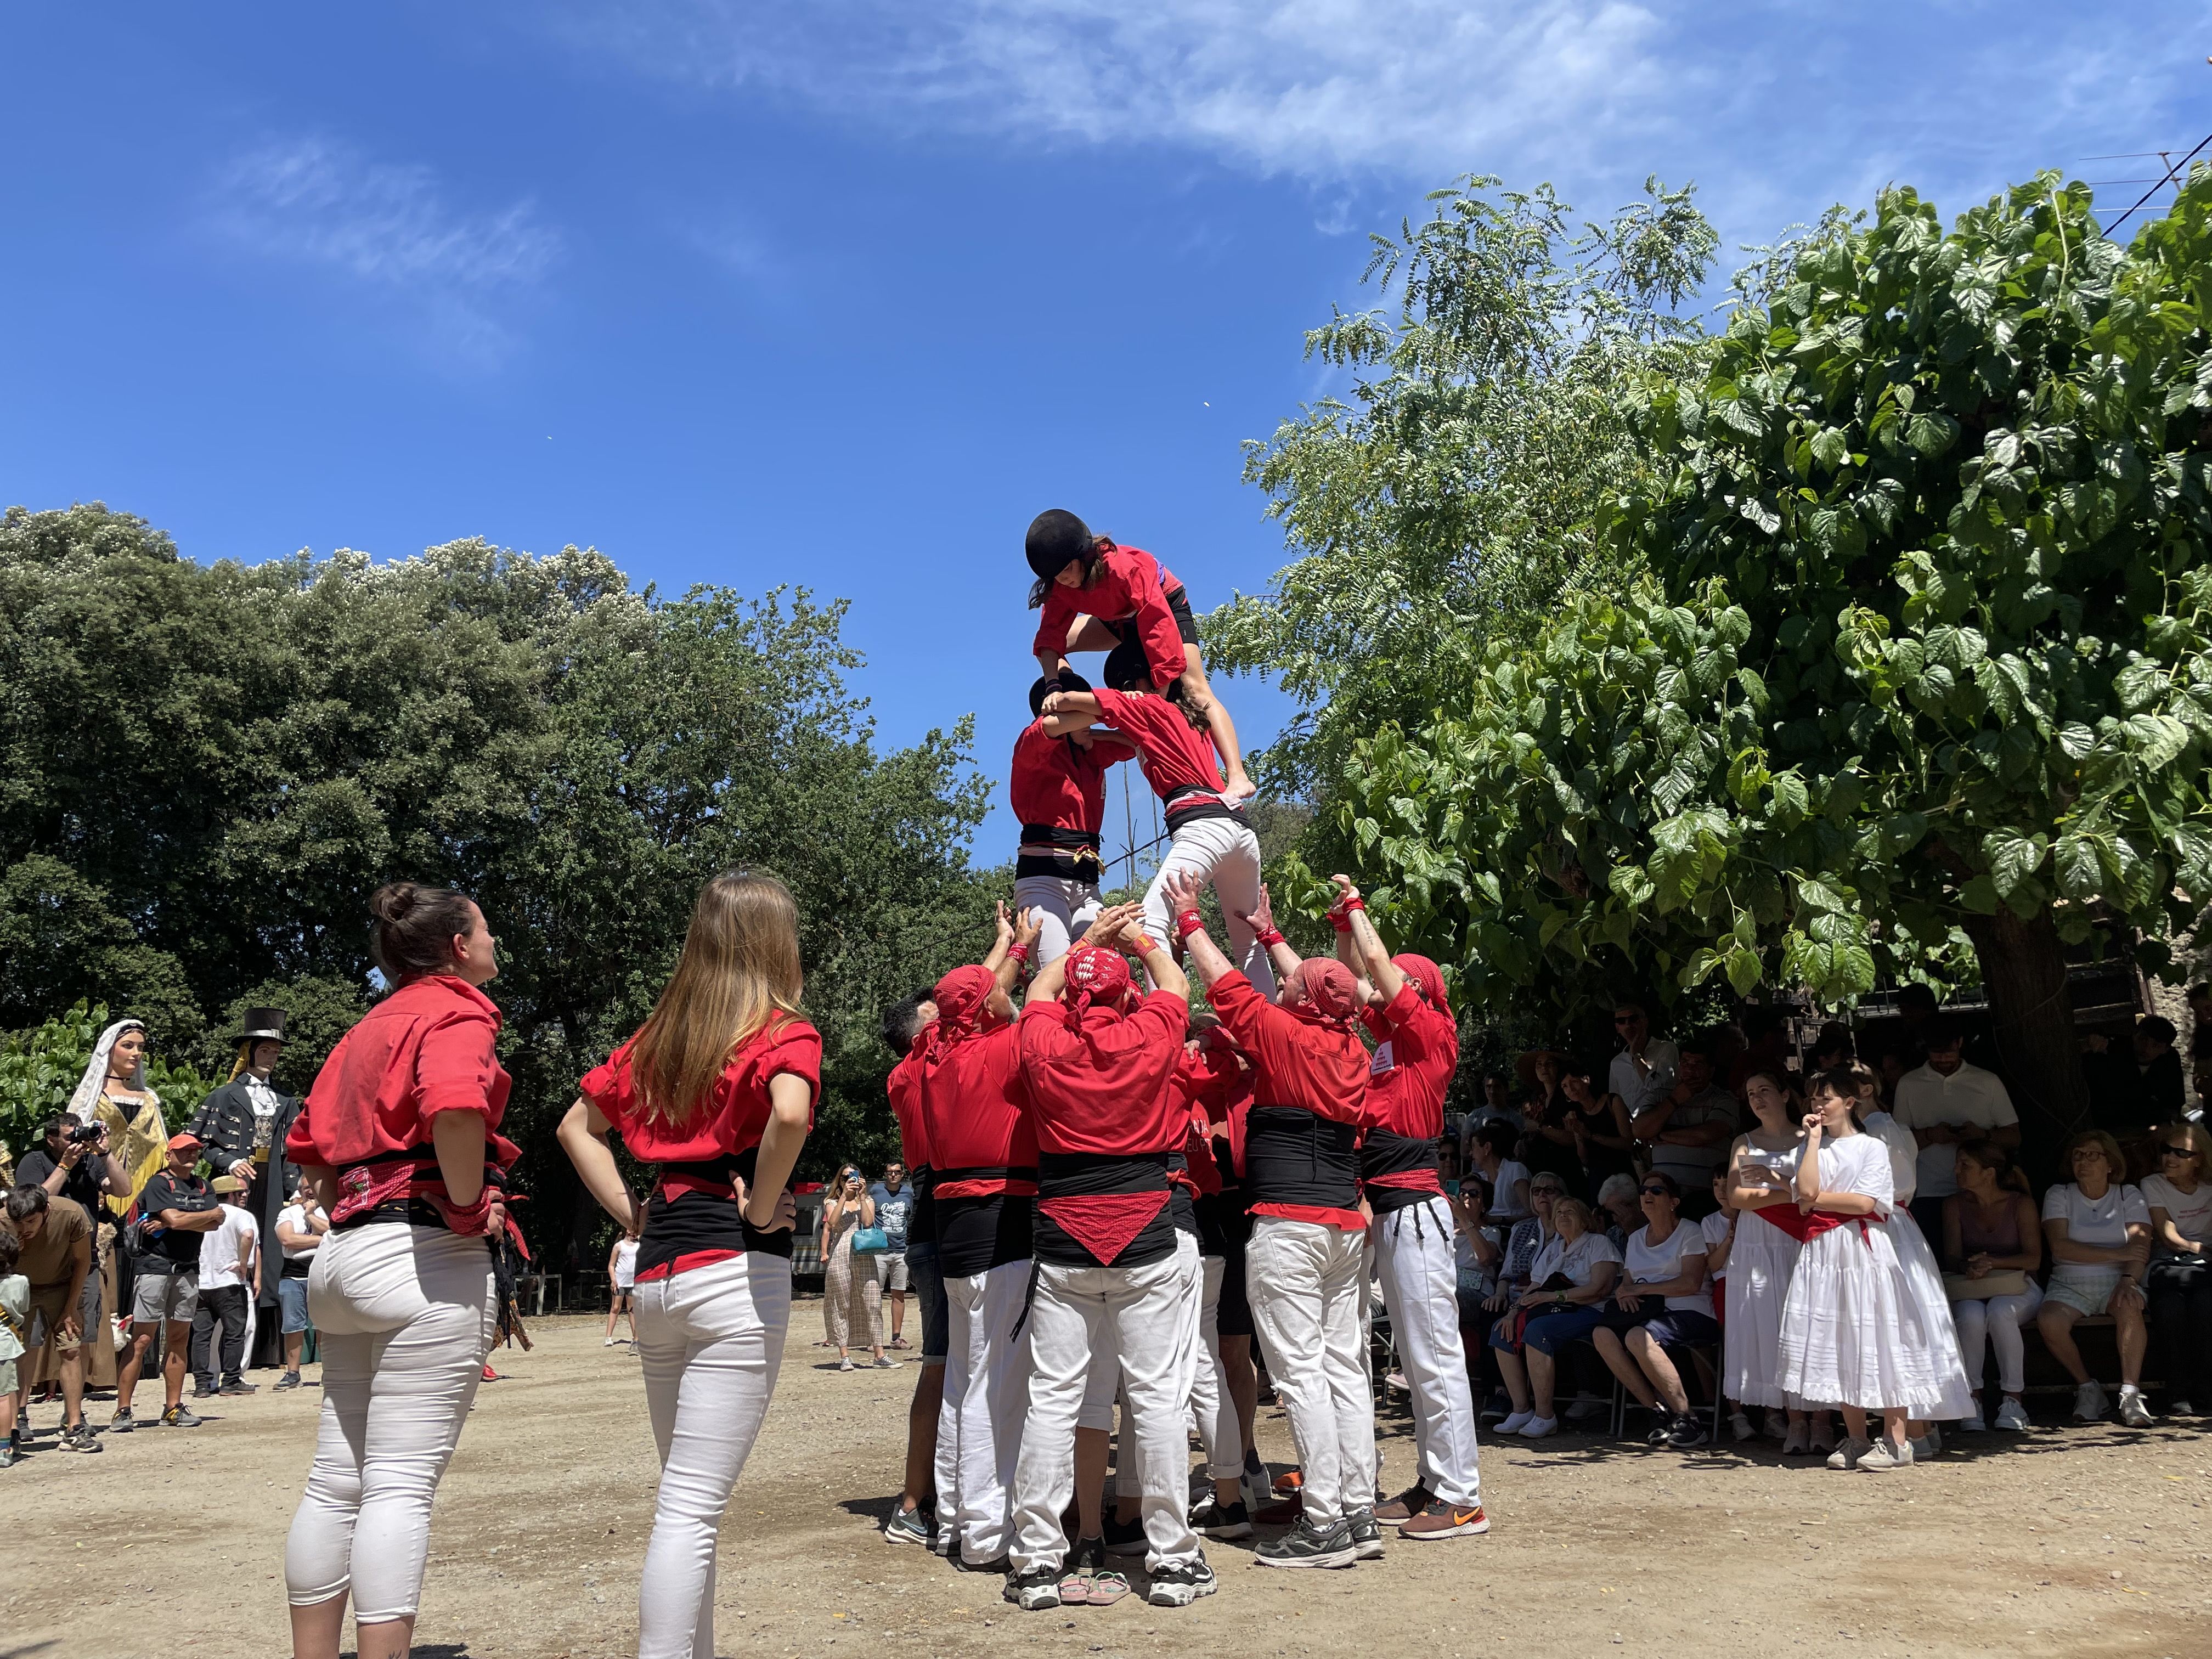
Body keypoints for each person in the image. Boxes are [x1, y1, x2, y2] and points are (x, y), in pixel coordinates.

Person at [558, 867, 815, 1659]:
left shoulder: (658, 1037)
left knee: (683, 1499)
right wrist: (766, 1202)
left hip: (661, 1275)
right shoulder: (780, 1028)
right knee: (691, 1510)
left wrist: (633, 1214)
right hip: (732, 1270)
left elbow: (576, 1128)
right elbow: (792, 1113)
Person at [283, 882, 519, 1659]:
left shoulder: (361, 1032)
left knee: (334, 1481)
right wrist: (466, 1203)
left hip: (343, 1257)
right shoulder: (456, 1010)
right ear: (457, 947)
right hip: (422, 1257)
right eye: (485, 931)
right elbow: (455, 1108)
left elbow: (311, 1152)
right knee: (398, 1486)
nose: (493, 944)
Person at [1003, 911, 1217, 1611]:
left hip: (1063, 1233)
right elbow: (1174, 980)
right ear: (1125, 993)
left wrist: (1085, 947)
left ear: (1075, 997)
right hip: (1146, 1229)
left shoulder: (1043, 1038)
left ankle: (1037, 1561)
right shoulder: (1152, 1031)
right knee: (1157, 1399)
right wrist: (1141, 941)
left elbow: (1036, 994)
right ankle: (1173, 1561)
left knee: (1053, 1400)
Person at [1163, 866, 1374, 1570]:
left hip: (1292, 1225)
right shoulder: (1352, 1042)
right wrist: (1275, 936)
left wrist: (1189, 920)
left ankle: (1324, 1525)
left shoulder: (1284, 1037)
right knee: (1345, 1367)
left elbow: (1223, 982)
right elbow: (1326, 986)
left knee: (1303, 1375)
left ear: (1302, 999)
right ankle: (1357, 1510)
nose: (1280, 983)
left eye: (1289, 980)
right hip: (1345, 1226)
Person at [1310, 877, 1486, 1542]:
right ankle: (1435, 1482)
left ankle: (1463, 1497)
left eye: (1393, 988)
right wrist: (1334, 926)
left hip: (1414, 1208)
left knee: (1435, 1356)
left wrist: (1358, 909)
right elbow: (1348, 977)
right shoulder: (1388, 1041)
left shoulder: (1432, 1034)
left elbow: (1376, 969)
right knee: (1413, 1362)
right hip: (1387, 1209)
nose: (1378, 995)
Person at [1040, 644, 1274, 999]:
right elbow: (1113, 736)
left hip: (1203, 827)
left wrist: (1057, 690)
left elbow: (1068, 715)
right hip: (1239, 829)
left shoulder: (1146, 705)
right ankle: (1265, 1036)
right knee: (1249, 941)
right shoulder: (1184, 715)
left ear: (1133, 683)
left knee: (1151, 923)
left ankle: (1167, 1021)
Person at [917, 940, 1042, 1572]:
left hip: (953, 1232)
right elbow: (1037, 1012)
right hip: (1001, 1227)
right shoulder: (1007, 1044)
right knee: (998, 1387)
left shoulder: (928, 1056)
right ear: (985, 1005)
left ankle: (954, 1521)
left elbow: (973, 1000)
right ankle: (988, 1533)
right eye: (995, 987)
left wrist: (1010, 949)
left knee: (964, 1381)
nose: (1004, 989)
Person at [1779, 1069, 1960, 1471]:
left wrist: (1818, 1200)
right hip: (1825, 1253)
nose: (1819, 1106)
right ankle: (1857, 1437)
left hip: (1862, 1252)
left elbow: (1865, 1204)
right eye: (1814, 1100)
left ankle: (1897, 1442)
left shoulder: (1871, 1147)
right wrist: (1811, 1143)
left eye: (1826, 1098)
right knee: (1841, 1337)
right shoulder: (1815, 1150)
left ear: (1848, 1102)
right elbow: (1803, 1193)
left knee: (1880, 1335)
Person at [1024, 509, 1253, 804]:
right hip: (1118, 617)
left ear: (1083, 556)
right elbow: (1049, 638)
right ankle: (1070, 690)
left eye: (1067, 570)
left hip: (1162, 602)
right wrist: (1056, 687)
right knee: (1054, 645)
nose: (1064, 579)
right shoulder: (1060, 587)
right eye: (1056, 575)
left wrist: (1157, 695)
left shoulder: (1124, 569)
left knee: (1195, 688)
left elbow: (1157, 625)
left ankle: (1238, 776)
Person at [189, 1007, 303, 1366]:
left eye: (275, 1051)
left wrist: (294, 1191)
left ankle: (266, 1351)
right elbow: (198, 1142)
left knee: (269, 1255)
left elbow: (293, 1150)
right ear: (249, 1052)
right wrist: (228, 1160)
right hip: (233, 1183)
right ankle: (221, 1349)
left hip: (271, 1185)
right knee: (231, 1250)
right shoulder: (222, 1096)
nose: (271, 1057)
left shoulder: (286, 1101)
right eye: (265, 1050)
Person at [879, 988, 947, 1550]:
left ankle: (927, 1497)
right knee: (942, 1365)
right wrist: (1012, 950)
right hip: (942, 1218)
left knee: (947, 1365)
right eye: (936, 1020)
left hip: (943, 1220)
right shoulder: (911, 1074)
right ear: (914, 1038)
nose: (949, 1021)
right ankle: (911, 1502)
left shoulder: (935, 1068)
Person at [1009, 671, 1136, 966]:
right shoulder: (1031, 743)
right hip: (1044, 880)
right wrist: (1096, 716)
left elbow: (1137, 739)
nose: (1088, 717)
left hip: (1087, 884)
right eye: (1080, 710)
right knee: (1058, 976)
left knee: (1101, 972)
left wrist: (1092, 736)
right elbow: (1050, 727)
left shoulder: (1089, 750)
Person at [1724, 1068, 1820, 1452]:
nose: (1758, 1098)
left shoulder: (1809, 1139)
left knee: (1810, 1323)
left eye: (1765, 1090)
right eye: (1751, 1093)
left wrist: (1772, 1184)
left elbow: (1820, 1191)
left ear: (1784, 1094)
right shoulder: (1744, 1143)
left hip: (1799, 1242)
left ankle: (1824, 1419)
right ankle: (1795, 1421)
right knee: (1773, 1326)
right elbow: (1737, 1197)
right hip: (1758, 1244)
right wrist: (1793, 1193)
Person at [2035, 1130, 2154, 1426]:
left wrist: (2128, 1278)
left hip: (2119, 1280)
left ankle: (2130, 1394)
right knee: (2050, 1321)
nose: (2083, 1162)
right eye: (2078, 1156)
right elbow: (2060, 1247)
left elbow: (2140, 1246)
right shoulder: (2059, 1194)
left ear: (2110, 1163)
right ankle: (2088, 1387)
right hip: (2068, 1283)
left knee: (2130, 1305)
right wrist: (2118, 1254)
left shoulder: (2129, 1194)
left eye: (2092, 1155)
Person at [1592, 1171, 1719, 1448]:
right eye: (1643, 1190)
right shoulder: (1636, 1238)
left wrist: (1640, 1290)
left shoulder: (1691, 1231)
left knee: (1638, 1336)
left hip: (1692, 1311)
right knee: (1602, 1334)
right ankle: (1656, 1411)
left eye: (1656, 1191)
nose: (1647, 1195)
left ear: (1674, 1201)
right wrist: (1626, 1294)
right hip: (1648, 1312)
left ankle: (1689, 1419)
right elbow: (1627, 1283)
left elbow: (1690, 1283)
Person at [114, 1130, 224, 1432]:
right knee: (142, 1339)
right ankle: (122, 1410)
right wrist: (199, 1215)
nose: (192, 1155)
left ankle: (173, 1407)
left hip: (188, 1269)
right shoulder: (160, 1183)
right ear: (169, 1155)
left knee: (179, 1339)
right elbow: (190, 1220)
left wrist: (178, 1219)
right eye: (185, 1151)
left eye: (196, 1151)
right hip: (155, 1268)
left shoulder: (204, 1185)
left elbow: (217, 1222)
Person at [1487, 1195, 1621, 1438]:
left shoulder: (1598, 1243)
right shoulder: (1552, 1250)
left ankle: (1545, 1415)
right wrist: (1513, 1312)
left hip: (1590, 1310)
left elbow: (1599, 1289)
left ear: (1584, 1220)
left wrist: (1552, 1297)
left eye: (1570, 1211)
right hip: (1552, 1310)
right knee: (1502, 1328)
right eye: (1559, 1212)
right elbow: (1534, 1288)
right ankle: (1521, 1410)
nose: (1562, 1215)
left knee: (1538, 1331)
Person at [13, 1114, 124, 1407]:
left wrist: (106, 1153)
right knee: (30, 1341)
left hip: (82, 1261)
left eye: (80, 1134)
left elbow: (124, 1190)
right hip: (39, 1264)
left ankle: (73, 1412)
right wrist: (65, 1166)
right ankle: (20, 1413)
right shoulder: (34, 1161)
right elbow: (32, 1203)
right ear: (51, 1139)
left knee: (79, 1337)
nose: (77, 1142)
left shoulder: (91, 1161)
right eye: (68, 1137)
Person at [1941, 1141, 2044, 1432]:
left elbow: (2034, 1258)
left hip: (2018, 1286)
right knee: (1971, 1315)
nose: (1956, 1170)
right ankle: (1971, 1399)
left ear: (1989, 1173)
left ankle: (2013, 1399)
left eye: (1965, 1165)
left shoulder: (2020, 1204)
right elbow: (1951, 1256)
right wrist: (1967, 1266)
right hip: (1972, 1289)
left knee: (2001, 1311)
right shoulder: (1954, 1205)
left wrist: (1992, 1263)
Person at [1892, 1019, 2020, 1237]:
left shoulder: (1988, 1082)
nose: (1943, 1059)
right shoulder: (1908, 1084)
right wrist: (1931, 1135)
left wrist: (1982, 1137)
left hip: (1984, 1194)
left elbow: (2014, 1137)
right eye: (1936, 1052)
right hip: (1928, 1193)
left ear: (1960, 1043)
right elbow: (1896, 1145)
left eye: (1949, 1051)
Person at [2, 1187, 101, 1453]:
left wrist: (71, 1307)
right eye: (18, 1223)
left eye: (31, 1222)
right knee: (15, 1356)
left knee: (71, 1349)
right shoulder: (2, 1221)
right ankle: (14, 1426)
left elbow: (83, 1261)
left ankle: (74, 1427)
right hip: (19, 1286)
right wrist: (14, 1254)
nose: (24, 1228)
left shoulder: (71, 1214)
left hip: (61, 1286)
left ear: (45, 1211)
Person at [2142, 1121, 2212, 1415]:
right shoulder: (2152, 1184)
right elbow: (2168, 1236)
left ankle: (2205, 1392)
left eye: (2182, 1153)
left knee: (2206, 1307)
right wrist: (2201, 1249)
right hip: (2170, 1264)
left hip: (2204, 1271)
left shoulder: (2210, 1188)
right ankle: (2177, 1394)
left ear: (2199, 1160)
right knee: (2169, 1309)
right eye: (2166, 1151)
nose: (2170, 1158)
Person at [1630, 1039, 1739, 1220]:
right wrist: (1675, 1100)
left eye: (1698, 1064)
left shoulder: (1724, 1099)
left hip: (1709, 1199)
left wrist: (1662, 1135)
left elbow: (1706, 1134)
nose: (1690, 1069)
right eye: (1686, 1063)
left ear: (1711, 1071)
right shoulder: (1659, 1096)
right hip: (1662, 1197)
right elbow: (1640, 1130)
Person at [190, 1174, 262, 1398]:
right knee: (234, 1334)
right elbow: (249, 1236)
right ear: (231, 1194)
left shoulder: (201, 1215)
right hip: (229, 1283)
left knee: (202, 1335)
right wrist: (243, 1263)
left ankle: (203, 1384)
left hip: (202, 1283)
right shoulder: (241, 1215)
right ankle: (231, 1380)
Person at [821, 1165, 887, 1372]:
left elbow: (868, 1223)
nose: (850, 1180)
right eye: (845, 1177)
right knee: (841, 1304)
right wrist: (844, 1198)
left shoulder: (868, 1200)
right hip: (840, 1255)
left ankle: (879, 1354)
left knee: (873, 1303)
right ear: (839, 1181)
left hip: (864, 1256)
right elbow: (832, 1224)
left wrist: (862, 1195)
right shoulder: (831, 1201)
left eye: (853, 1176)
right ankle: (845, 1356)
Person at [272, 1176, 328, 1390]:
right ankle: (293, 1373)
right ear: (300, 1191)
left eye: (313, 1187)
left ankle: (328, 1371)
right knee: (293, 1327)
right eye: (306, 1188)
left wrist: (310, 1215)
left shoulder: (329, 1210)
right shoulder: (287, 1213)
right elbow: (288, 1240)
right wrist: (323, 1238)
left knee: (325, 1325)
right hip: (293, 1276)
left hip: (321, 1274)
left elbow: (336, 1230)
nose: (310, 1192)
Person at [870, 1161, 915, 1350]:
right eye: (890, 1172)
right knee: (874, 1296)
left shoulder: (909, 1193)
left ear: (902, 1174)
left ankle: (896, 1338)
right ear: (885, 1174)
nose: (893, 1175)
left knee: (899, 1294)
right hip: (879, 1250)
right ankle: (874, 1339)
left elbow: (912, 1218)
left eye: (897, 1172)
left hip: (901, 1251)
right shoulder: (875, 1191)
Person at [1608, 1001, 1679, 1116]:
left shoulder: (1666, 1049)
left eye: (1633, 1019)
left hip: (1658, 1123)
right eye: (1621, 1021)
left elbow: (1662, 1090)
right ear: (1617, 1028)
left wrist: (1637, 1057)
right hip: (1629, 1129)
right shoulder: (1616, 1063)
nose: (1628, 1025)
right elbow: (1615, 1102)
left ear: (1645, 1022)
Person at [1466, 1122, 1531, 1229]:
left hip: (1516, 1232)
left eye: (1474, 1147)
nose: (1470, 1153)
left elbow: (1531, 1213)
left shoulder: (1515, 1170)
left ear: (1487, 1147)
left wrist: (1500, 1219)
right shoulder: (1479, 1179)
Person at [0, 1230, 24, 1469]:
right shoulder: (20, 1283)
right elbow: (21, 1310)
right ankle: (4, 1448)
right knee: (4, 1398)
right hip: (6, 1346)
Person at [605, 1229, 640, 1347]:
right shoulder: (619, 1246)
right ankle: (608, 1337)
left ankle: (635, 1337)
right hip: (620, 1281)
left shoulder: (638, 1246)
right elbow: (611, 1265)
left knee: (632, 1310)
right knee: (615, 1308)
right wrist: (613, 1280)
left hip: (633, 1282)